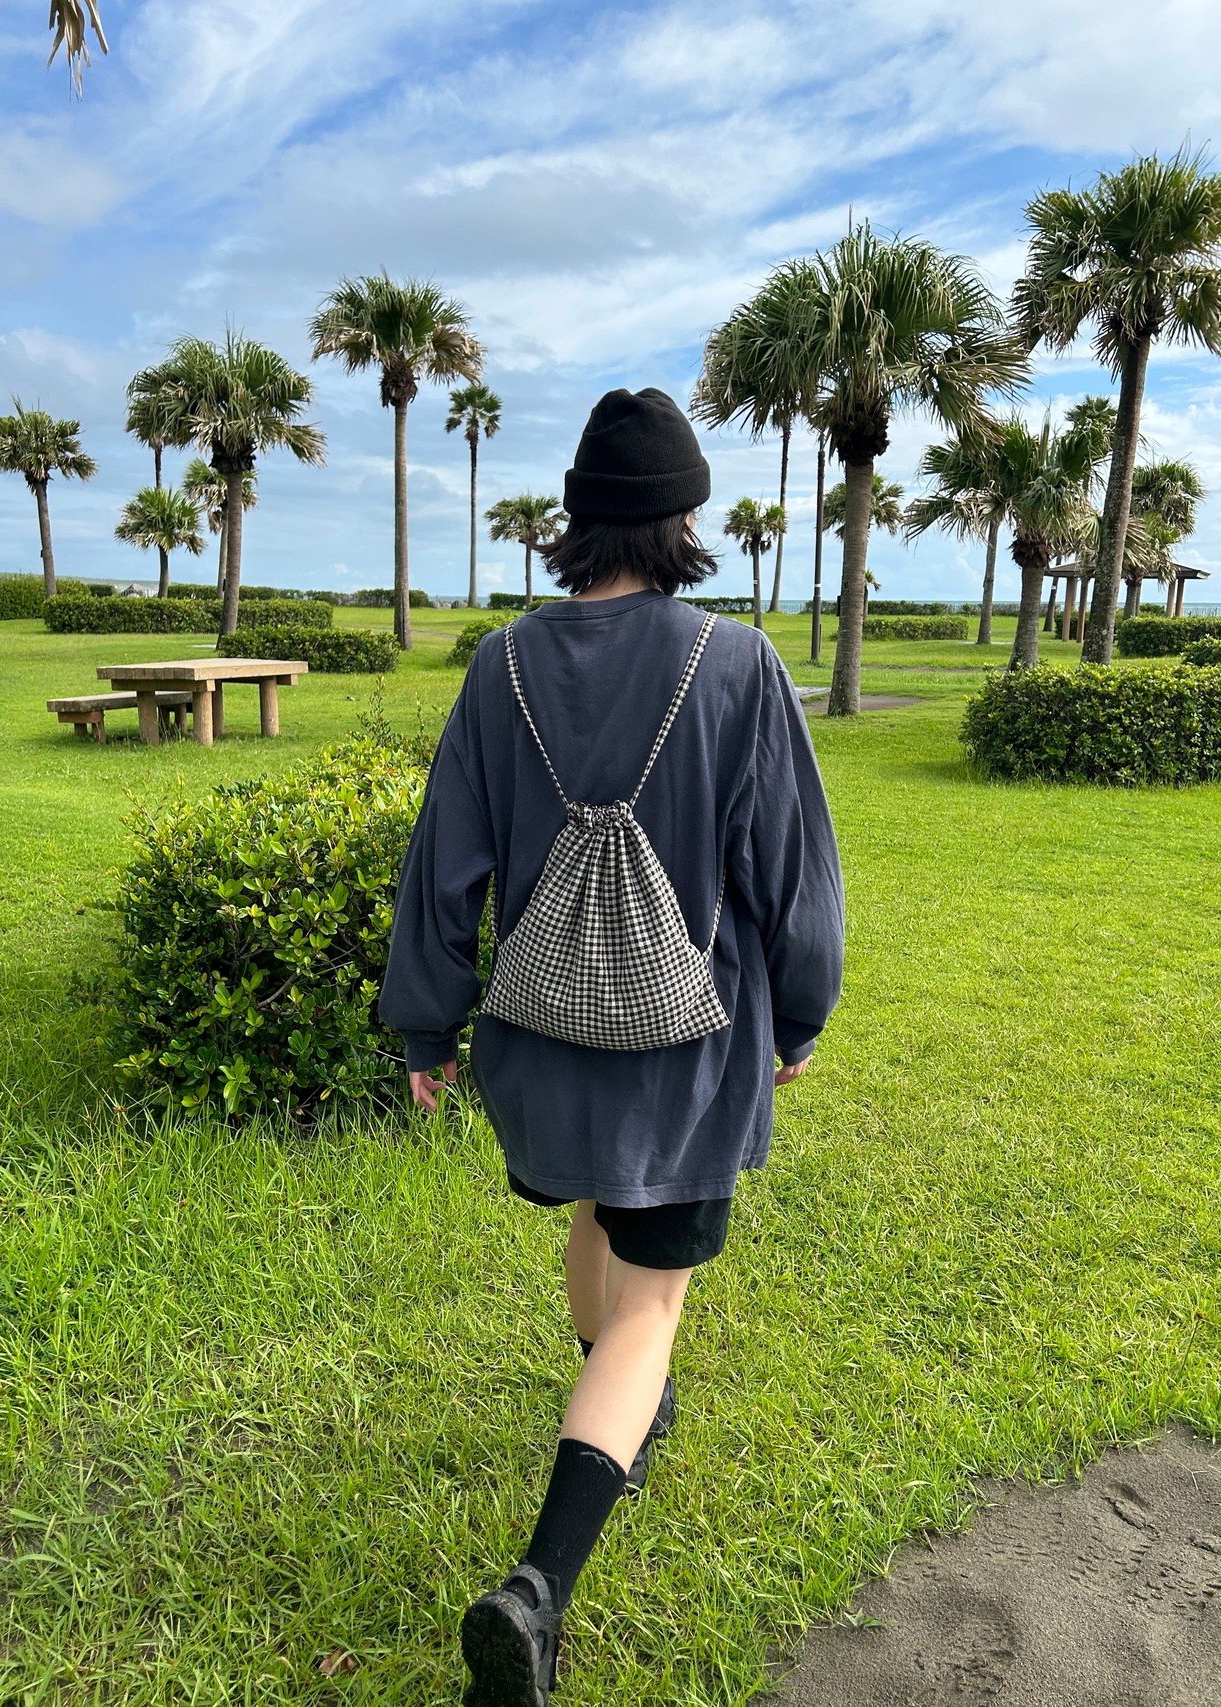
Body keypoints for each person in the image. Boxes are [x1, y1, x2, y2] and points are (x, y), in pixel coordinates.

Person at [378, 386, 845, 1705]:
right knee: (654, 1307)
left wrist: (425, 1020)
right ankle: (537, 1592)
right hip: (686, 1046)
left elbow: (442, 864)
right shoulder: (737, 665)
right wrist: (802, 1010)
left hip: (543, 1036)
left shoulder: (499, 666)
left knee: (598, 1206)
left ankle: (617, 1410)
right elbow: (794, 872)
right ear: (683, 520)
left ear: (578, 522)